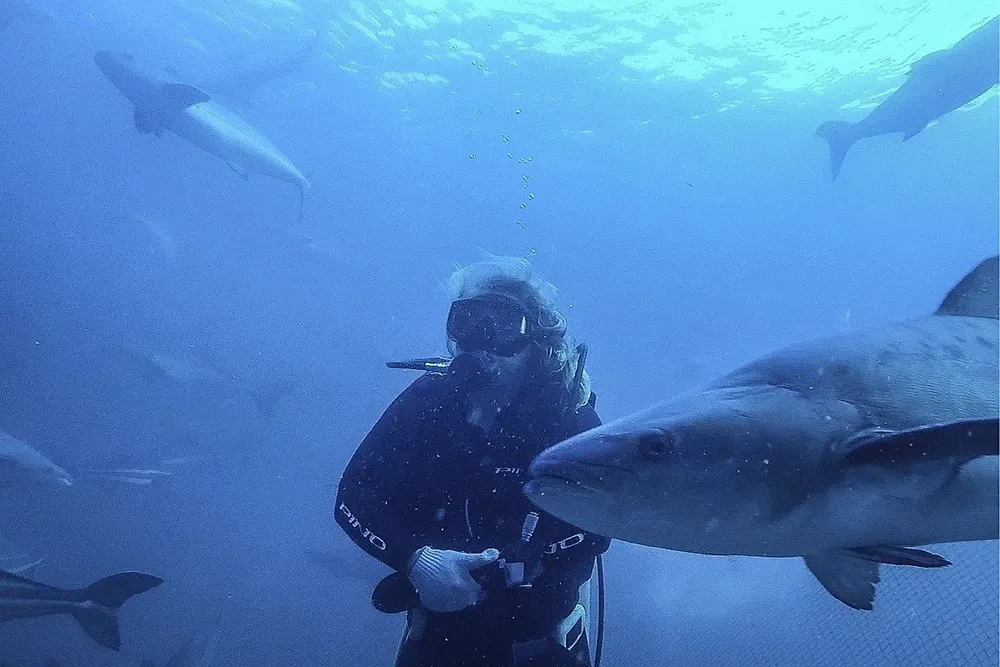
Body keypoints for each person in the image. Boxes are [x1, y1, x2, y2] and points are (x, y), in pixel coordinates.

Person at [335, 256, 610, 667]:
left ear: (537, 339)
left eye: (501, 327)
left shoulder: (568, 415)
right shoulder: (429, 401)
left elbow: (604, 524)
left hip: (541, 640)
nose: (480, 345)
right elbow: (352, 497)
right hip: (439, 632)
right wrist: (415, 560)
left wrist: (535, 555)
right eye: (465, 324)